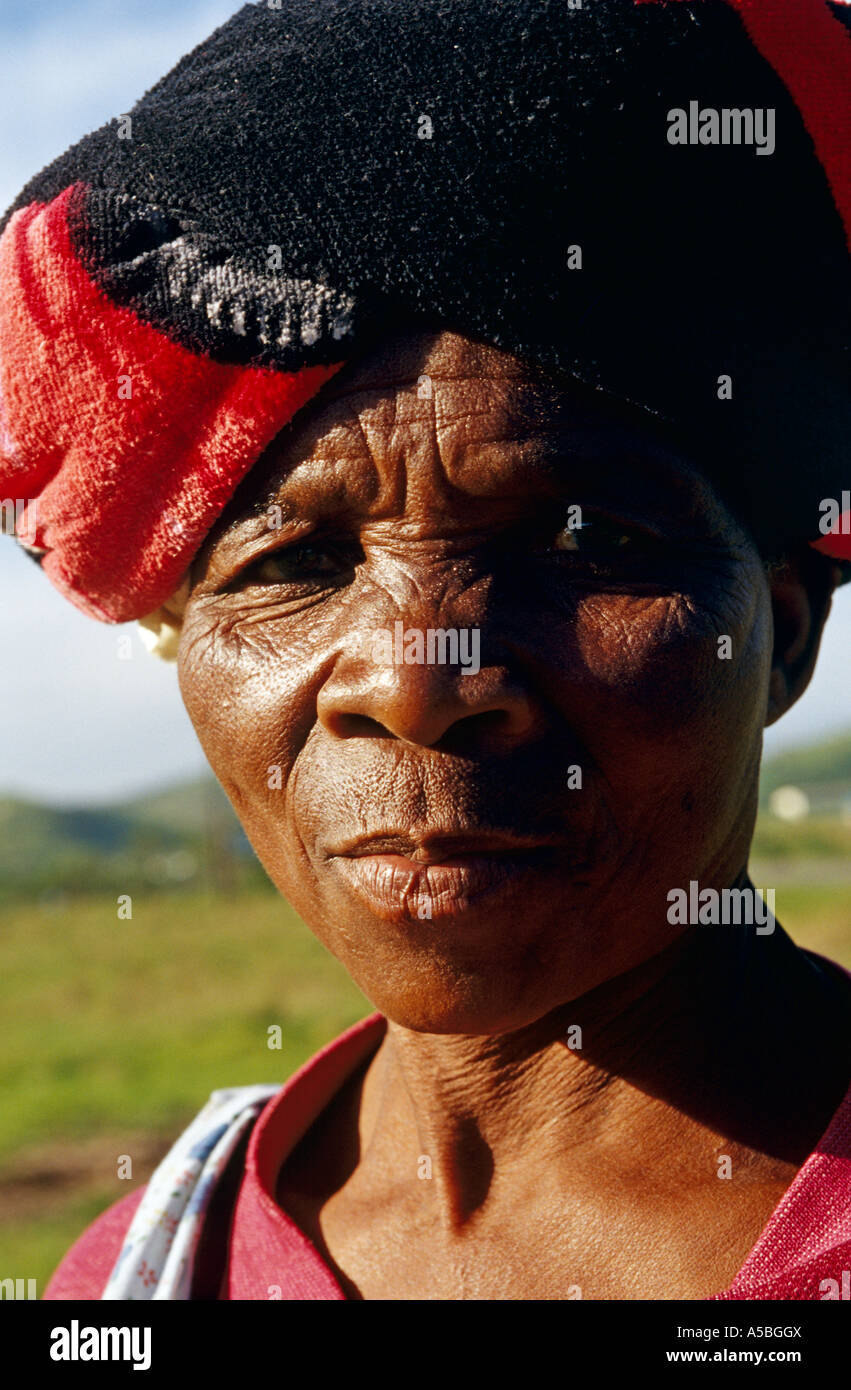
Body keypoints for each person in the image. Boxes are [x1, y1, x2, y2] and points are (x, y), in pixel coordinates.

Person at [1, 0, 850, 1301]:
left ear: (782, 629)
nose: (415, 682)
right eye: (292, 562)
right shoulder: (143, 1274)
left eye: (584, 539)